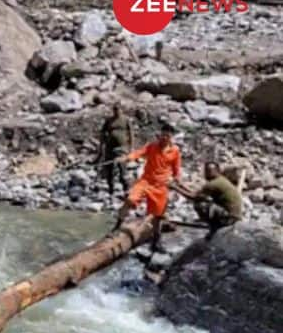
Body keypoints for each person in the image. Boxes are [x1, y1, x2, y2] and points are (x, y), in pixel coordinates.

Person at [113, 123, 183, 253]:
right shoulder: (152, 146)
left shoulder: (175, 151)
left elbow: (176, 170)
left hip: (161, 185)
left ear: (171, 137)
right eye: (163, 135)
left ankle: (156, 241)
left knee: (157, 216)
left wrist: (177, 179)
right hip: (146, 181)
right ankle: (116, 227)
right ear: (160, 134)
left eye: (167, 136)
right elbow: (139, 153)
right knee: (130, 200)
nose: (164, 138)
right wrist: (126, 158)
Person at [174, 162, 243, 235]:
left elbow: (194, 197)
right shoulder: (221, 180)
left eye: (209, 171)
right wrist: (181, 185)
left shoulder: (213, 184)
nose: (206, 174)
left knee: (200, 204)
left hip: (230, 218)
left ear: (217, 171)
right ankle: (214, 222)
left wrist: (175, 188)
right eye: (206, 171)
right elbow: (196, 193)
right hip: (234, 216)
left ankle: (215, 226)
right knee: (204, 200)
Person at [95, 104, 134, 196]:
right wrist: (101, 146)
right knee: (110, 170)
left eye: (118, 109)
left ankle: (126, 190)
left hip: (122, 148)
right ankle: (111, 190)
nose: (116, 111)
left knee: (122, 168)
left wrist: (131, 148)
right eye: (115, 109)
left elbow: (131, 134)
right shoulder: (109, 121)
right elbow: (102, 133)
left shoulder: (126, 120)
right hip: (110, 148)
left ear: (121, 110)